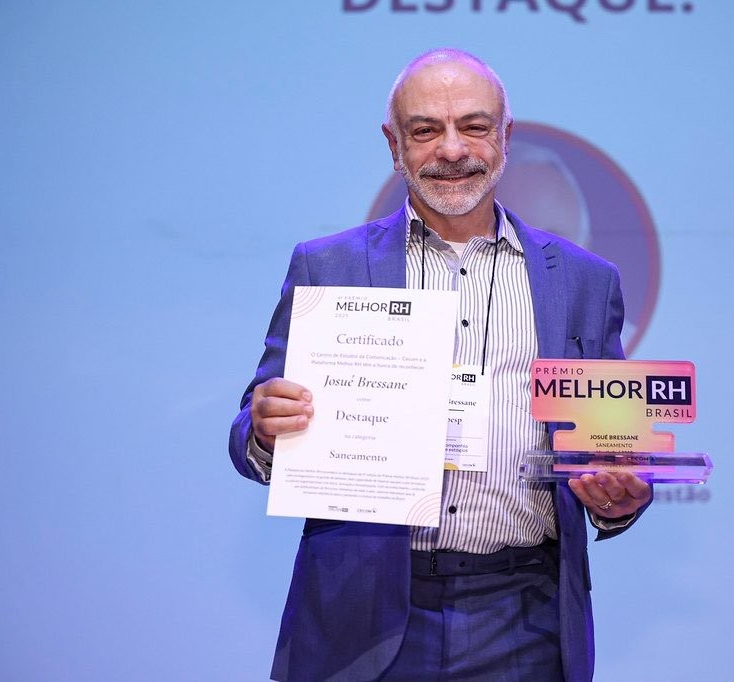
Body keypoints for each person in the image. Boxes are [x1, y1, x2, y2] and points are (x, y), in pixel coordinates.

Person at [229, 48, 653, 682]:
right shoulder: (328, 267)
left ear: (505, 136)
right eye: (426, 130)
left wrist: (618, 495)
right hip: (359, 617)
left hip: (526, 618)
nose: (452, 149)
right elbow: (250, 431)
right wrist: (265, 430)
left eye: (474, 126)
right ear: (394, 145)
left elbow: (613, 450)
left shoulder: (586, 283)